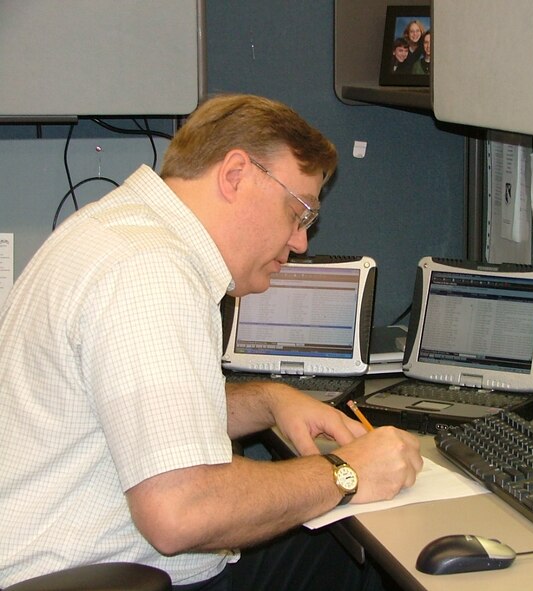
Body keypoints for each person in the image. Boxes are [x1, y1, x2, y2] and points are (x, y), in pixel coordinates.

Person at [0, 94, 423, 590]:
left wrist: (267, 400)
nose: (300, 241)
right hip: (101, 574)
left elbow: (143, 412)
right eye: (298, 211)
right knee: (378, 570)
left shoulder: (115, 229)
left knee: (341, 550)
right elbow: (181, 513)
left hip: (70, 560)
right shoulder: (152, 271)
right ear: (236, 175)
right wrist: (345, 471)